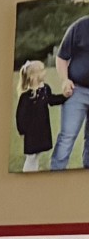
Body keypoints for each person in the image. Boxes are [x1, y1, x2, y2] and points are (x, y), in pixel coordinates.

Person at [49, 15, 89, 169]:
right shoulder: (80, 26)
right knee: (67, 137)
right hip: (76, 91)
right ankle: (56, 175)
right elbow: (61, 57)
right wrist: (65, 80)